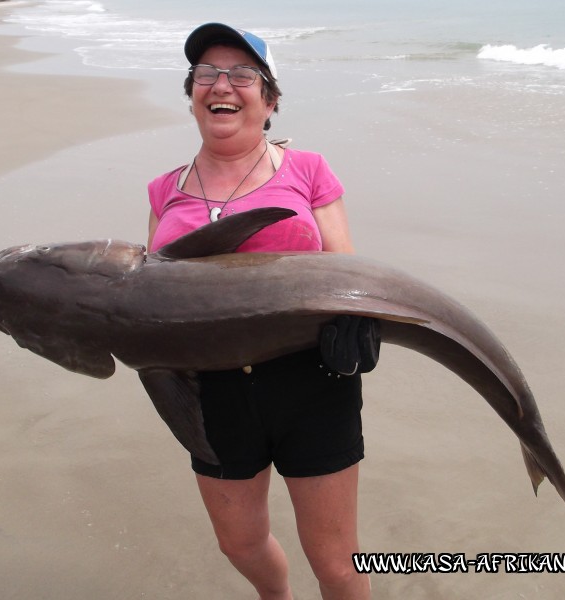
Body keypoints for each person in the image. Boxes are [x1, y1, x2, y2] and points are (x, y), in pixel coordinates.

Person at [146, 23, 371, 599]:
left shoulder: (308, 170)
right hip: (210, 393)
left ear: (269, 101)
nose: (223, 84)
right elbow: (152, 295)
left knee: (337, 564)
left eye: (243, 74)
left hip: (312, 380)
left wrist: (358, 321)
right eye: (206, 74)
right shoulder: (163, 190)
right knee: (240, 545)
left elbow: (347, 271)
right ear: (193, 94)